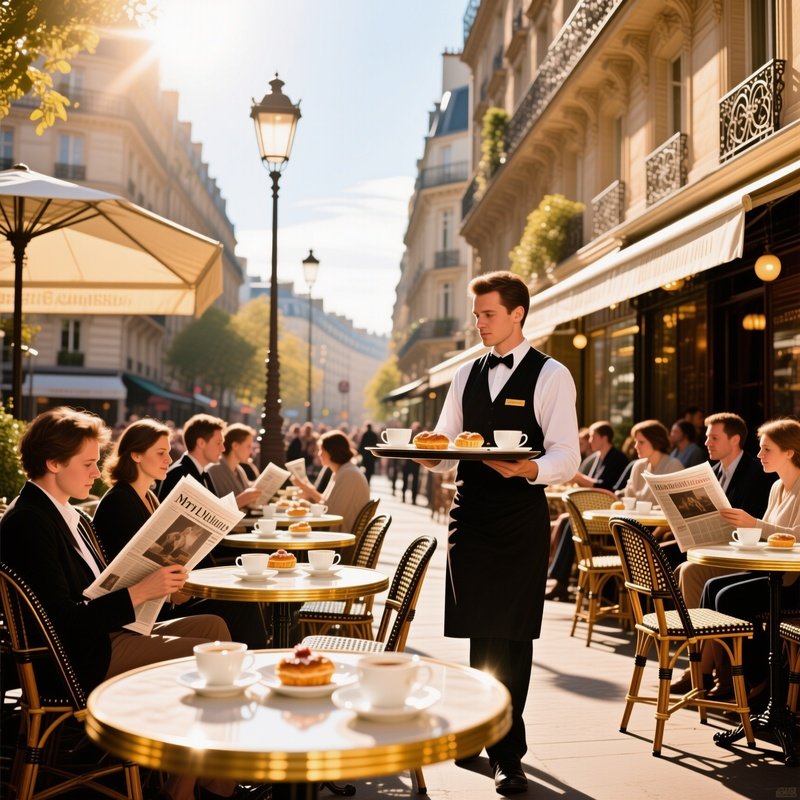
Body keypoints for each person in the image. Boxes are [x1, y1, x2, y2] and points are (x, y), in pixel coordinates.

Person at [0, 408, 234, 800]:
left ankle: (209, 776)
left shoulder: (71, 515)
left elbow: (98, 590)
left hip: (101, 636)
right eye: (88, 463)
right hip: (71, 660)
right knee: (209, 657)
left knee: (213, 628)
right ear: (53, 462)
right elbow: (64, 622)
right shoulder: (29, 522)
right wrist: (141, 592)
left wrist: (154, 585)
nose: (97, 472)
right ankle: (190, 786)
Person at [418, 270, 579, 795]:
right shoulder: (464, 375)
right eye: (477, 313)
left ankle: (508, 751)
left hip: (518, 518)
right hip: (471, 517)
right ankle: (482, 726)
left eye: (488, 314)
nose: (479, 322)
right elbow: (447, 443)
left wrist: (530, 469)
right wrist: (430, 453)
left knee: (512, 635)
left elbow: (564, 454)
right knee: (480, 630)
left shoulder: (552, 375)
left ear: (518, 314)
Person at [93, 419, 266, 648]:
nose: (169, 459)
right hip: (140, 614)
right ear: (136, 455)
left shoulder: (149, 497)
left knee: (243, 602)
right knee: (241, 605)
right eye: (161, 453)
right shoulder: (119, 501)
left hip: (167, 598)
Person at [696, 418, 800, 699]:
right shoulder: (777, 487)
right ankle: (721, 675)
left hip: (793, 581)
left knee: (728, 597)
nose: (759, 455)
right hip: (771, 572)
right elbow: (765, 534)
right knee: (712, 587)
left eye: (767, 449)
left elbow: (794, 535)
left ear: (789, 452)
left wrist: (753, 524)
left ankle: (756, 678)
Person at [674, 412, 776, 609]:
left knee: (686, 569)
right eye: (706, 437)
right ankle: (677, 627)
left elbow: (756, 517)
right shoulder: (710, 472)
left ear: (735, 439)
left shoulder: (759, 473)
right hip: (713, 547)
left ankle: (702, 635)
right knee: (669, 558)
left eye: (714, 438)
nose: (707, 443)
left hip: (742, 552)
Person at [546, 420, 629, 600]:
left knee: (569, 522)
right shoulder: (597, 459)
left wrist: (578, 478)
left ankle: (559, 580)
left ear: (603, 438)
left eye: (592, 436)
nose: (590, 440)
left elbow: (608, 488)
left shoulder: (617, 458)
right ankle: (557, 578)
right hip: (592, 511)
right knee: (564, 521)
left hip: (606, 516)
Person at [158, 414, 260, 510]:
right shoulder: (178, 474)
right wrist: (236, 502)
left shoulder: (203, 472)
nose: (223, 448)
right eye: (218, 443)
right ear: (201, 443)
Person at [290, 430, 370, 533]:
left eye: (321, 450)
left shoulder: (349, 474)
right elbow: (327, 503)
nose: (319, 454)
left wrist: (308, 497)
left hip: (343, 536)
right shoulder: (341, 471)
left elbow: (330, 513)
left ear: (332, 451)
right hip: (339, 532)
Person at [617, 419, 684, 504]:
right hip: (635, 517)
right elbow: (628, 496)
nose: (636, 446)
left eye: (641, 442)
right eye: (636, 442)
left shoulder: (673, 465)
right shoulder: (638, 466)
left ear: (655, 441)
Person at [207, 424, 261, 505]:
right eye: (248, 446)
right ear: (235, 445)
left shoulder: (239, 470)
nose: (251, 452)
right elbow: (214, 507)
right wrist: (240, 500)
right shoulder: (213, 470)